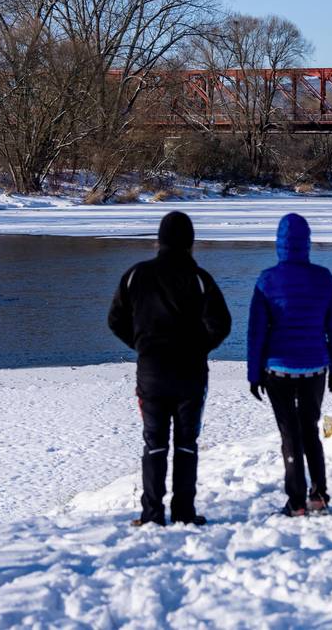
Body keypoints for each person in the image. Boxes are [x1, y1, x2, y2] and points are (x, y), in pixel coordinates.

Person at [108, 211, 231, 527]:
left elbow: (115, 320)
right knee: (187, 443)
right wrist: (200, 346)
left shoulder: (136, 275)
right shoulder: (200, 279)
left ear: (159, 241)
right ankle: (183, 512)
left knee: (155, 442)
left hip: (151, 372)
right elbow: (222, 324)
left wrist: (141, 345)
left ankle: (151, 513)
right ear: (190, 243)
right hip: (191, 374)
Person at [247, 213, 332, 517]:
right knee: (310, 432)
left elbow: (256, 332)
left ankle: (297, 501)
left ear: (279, 243)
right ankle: (319, 495)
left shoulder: (267, 280)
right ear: (307, 243)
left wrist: (253, 374)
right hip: (315, 367)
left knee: (290, 436)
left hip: (277, 370)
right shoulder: (324, 278)